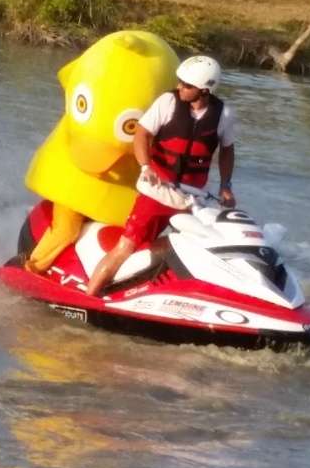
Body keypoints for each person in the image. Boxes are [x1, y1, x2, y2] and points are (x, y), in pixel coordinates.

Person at [85, 55, 236, 297]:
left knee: (194, 248)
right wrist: (146, 167)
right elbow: (142, 135)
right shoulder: (167, 102)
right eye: (180, 82)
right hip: (155, 192)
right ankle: (89, 297)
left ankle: (174, 296)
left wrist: (226, 185)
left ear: (205, 90)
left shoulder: (224, 115)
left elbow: (227, 150)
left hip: (189, 199)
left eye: (187, 85)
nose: (180, 87)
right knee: (126, 247)